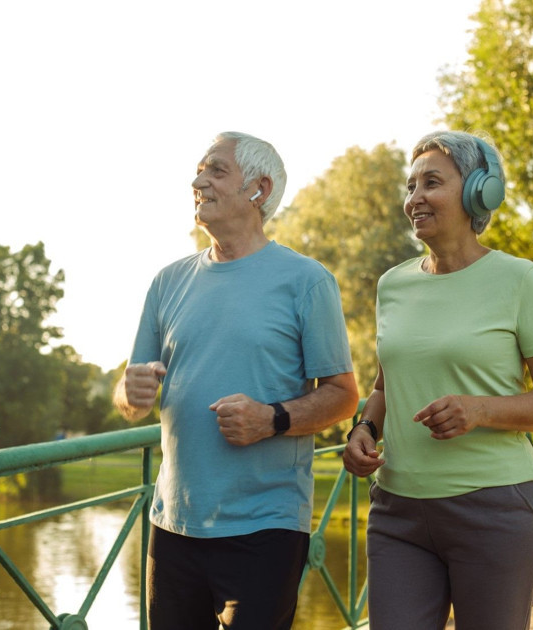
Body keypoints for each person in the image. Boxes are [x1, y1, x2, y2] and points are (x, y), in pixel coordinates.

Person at [114, 131, 359, 630]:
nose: (197, 180)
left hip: (266, 526)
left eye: (215, 170)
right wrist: (129, 391)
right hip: (173, 524)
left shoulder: (307, 281)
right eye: (200, 170)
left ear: (259, 189)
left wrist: (272, 419)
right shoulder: (167, 281)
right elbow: (129, 395)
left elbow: (343, 396)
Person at [343, 130, 533, 630]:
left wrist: (480, 409)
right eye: (411, 186)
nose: (415, 199)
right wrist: (364, 430)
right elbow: (387, 386)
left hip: (493, 509)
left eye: (432, 182)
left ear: (479, 191)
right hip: (398, 511)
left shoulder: (519, 279)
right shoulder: (393, 285)